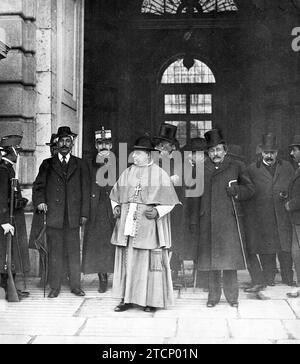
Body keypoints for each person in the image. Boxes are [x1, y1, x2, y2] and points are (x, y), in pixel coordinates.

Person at [110, 135, 180, 312]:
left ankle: (151, 301)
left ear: (149, 155)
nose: (134, 156)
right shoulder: (128, 172)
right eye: (134, 153)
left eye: (138, 153)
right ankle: (126, 299)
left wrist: (158, 211)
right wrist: (116, 206)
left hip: (148, 225)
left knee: (148, 263)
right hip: (128, 224)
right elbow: (115, 193)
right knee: (128, 260)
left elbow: (170, 202)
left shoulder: (160, 174)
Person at [195, 129, 255, 308]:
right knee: (212, 261)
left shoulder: (236, 166)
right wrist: (195, 219)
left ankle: (232, 297)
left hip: (229, 219)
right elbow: (194, 196)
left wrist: (237, 191)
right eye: (212, 150)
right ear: (208, 152)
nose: (216, 154)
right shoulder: (201, 167)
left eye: (219, 150)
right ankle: (213, 297)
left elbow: (251, 189)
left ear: (225, 150)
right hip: (208, 219)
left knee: (229, 260)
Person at [32, 126, 89, 298]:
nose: (64, 144)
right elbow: (38, 187)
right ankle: (54, 287)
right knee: (55, 252)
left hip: (73, 216)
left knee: (73, 252)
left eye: (68, 141)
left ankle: (76, 286)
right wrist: (40, 202)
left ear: (72, 144)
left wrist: (84, 213)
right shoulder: (47, 164)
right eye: (61, 140)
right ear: (57, 143)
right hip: (54, 216)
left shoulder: (80, 164)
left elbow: (86, 190)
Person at [244, 133, 295, 292]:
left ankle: (288, 277)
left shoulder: (287, 167)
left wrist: (286, 196)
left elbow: (293, 187)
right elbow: (249, 191)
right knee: (267, 248)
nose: (269, 155)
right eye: (266, 152)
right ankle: (269, 278)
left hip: (282, 214)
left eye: (272, 152)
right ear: (261, 152)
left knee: (285, 248)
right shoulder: (252, 169)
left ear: (277, 152)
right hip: (263, 216)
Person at [82, 127, 115, 293]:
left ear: (111, 145)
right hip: (96, 210)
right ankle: (102, 277)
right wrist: (84, 212)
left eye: (107, 143)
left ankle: (118, 278)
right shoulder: (88, 164)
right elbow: (83, 188)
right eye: (100, 143)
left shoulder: (119, 162)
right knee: (98, 245)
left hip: (113, 210)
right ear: (96, 146)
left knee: (114, 245)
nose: (104, 146)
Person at [0, 134, 30, 299]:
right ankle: (5, 290)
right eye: (17, 149)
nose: (19, 152)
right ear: (10, 151)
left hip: (14, 217)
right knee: (5, 256)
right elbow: (1, 198)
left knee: (11, 255)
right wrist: (4, 222)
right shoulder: (3, 170)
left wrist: (20, 201)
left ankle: (9, 289)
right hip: (7, 220)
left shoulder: (9, 168)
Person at [153, 123, 183, 281]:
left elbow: (182, 184)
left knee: (174, 237)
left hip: (174, 207)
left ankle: (174, 269)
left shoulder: (178, 163)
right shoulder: (153, 162)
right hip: (157, 206)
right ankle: (157, 269)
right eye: (159, 145)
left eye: (165, 145)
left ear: (172, 147)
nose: (161, 148)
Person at [285, 135, 300, 298]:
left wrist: (292, 204)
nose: (291, 153)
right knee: (296, 252)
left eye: (294, 150)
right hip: (296, 219)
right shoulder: (298, 168)